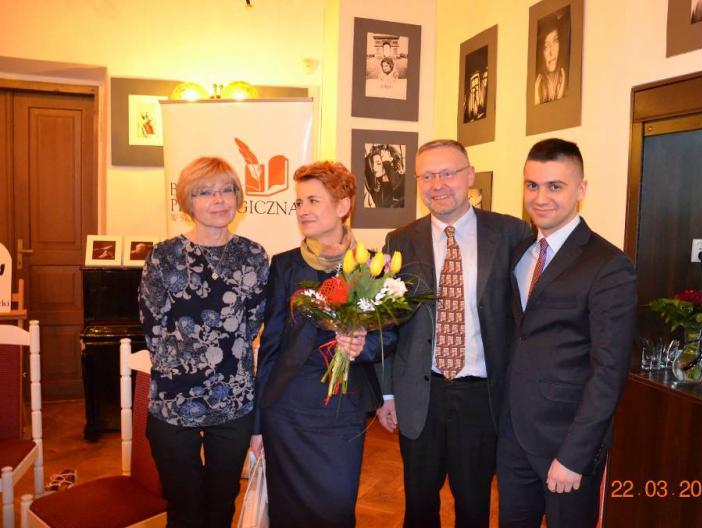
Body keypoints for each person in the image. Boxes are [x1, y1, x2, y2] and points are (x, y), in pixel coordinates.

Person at [376, 139, 531, 527]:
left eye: (447, 173)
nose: (437, 184)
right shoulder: (400, 240)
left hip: (482, 395)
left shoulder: (511, 233)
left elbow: (526, 315)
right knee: (418, 505)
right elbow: (386, 325)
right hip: (420, 393)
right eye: (427, 176)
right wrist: (387, 393)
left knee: (474, 504)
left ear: (469, 176)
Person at [497, 139, 637, 527]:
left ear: (581, 189)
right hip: (513, 436)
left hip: (565, 444)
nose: (540, 198)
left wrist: (574, 455)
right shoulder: (522, 252)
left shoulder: (609, 265)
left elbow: (609, 370)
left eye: (555, 186)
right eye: (532, 185)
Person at [252, 161, 396, 528]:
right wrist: (257, 424)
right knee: (287, 514)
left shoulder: (374, 265)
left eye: (313, 201)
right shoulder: (284, 265)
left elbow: (391, 334)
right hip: (286, 410)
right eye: (299, 202)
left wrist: (362, 345)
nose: (303, 210)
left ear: (343, 205)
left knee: (336, 508)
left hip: (342, 412)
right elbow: (270, 346)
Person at [138, 156, 269, 527]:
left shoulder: (254, 256)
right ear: (187, 201)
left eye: (227, 190)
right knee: (184, 505)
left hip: (233, 401)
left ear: (238, 197)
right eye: (205, 192)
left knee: (222, 503)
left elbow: (251, 325)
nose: (219, 200)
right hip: (173, 401)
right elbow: (152, 327)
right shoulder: (163, 256)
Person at [534, 11, 568, 105]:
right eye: (546, 46)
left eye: (555, 41)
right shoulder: (538, 90)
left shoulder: (567, 83)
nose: (551, 52)